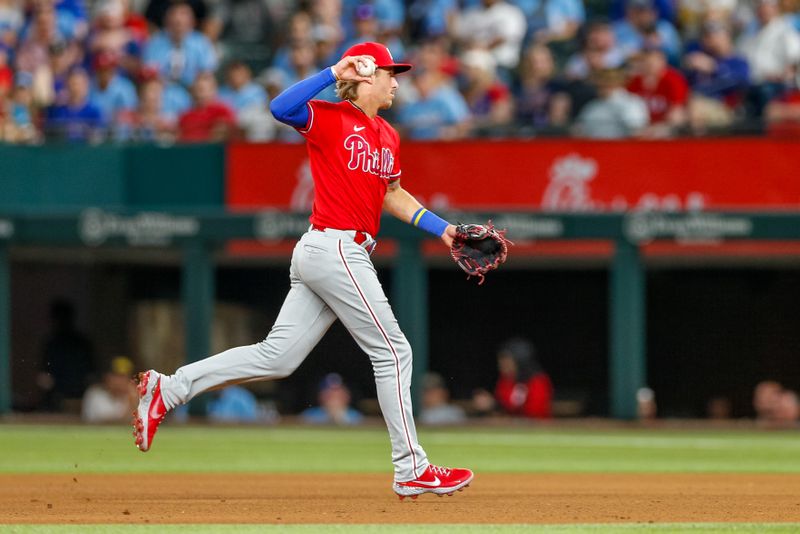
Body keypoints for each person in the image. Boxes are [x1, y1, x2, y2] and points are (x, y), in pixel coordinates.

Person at [132, 41, 473, 500]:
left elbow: (392, 194)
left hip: (332, 252)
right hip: (335, 245)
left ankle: (168, 390)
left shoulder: (389, 135)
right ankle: (411, 467)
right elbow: (280, 107)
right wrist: (334, 70)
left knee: (278, 357)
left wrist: (444, 230)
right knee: (394, 352)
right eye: (390, 72)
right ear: (365, 75)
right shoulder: (331, 117)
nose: (396, 80)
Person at [38, 298, 96, 412]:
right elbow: (44, 378)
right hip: (57, 398)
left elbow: (91, 375)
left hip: (79, 396)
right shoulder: (52, 342)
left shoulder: (80, 343)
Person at [493, 337, 553, 419]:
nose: (501, 365)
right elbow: (503, 404)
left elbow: (536, 412)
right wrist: (492, 404)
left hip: (536, 429)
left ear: (520, 361)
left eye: (506, 361)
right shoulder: (506, 381)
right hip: (510, 428)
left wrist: (496, 406)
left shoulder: (537, 381)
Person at [81, 356, 138, 423]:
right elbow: (109, 423)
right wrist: (131, 403)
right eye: (118, 376)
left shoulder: (132, 395)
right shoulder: (95, 394)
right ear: (107, 377)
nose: (121, 381)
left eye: (125, 377)